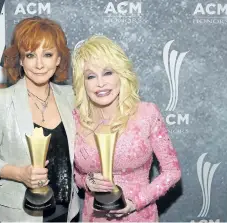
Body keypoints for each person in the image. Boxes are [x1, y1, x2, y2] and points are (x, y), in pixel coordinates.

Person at [0, 16, 79, 222]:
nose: (39, 64)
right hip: (18, 215)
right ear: (21, 60)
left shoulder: (72, 97)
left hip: (66, 214)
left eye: (47, 54)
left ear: (58, 59)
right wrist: (19, 173)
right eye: (30, 55)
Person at [71, 35, 181, 222]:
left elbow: (172, 171)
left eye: (108, 73)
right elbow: (75, 174)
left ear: (121, 74)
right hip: (93, 218)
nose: (100, 83)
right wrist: (87, 182)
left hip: (139, 217)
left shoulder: (146, 114)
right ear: (83, 83)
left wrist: (135, 202)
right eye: (91, 76)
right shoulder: (75, 119)